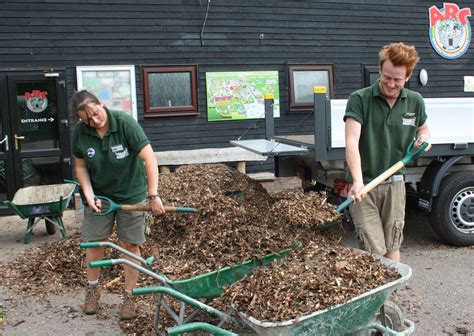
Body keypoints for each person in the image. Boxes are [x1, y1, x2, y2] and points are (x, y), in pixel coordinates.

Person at [71, 90, 165, 320]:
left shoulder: (125, 124)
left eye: (94, 113)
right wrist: (89, 194)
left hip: (131, 194)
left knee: (130, 245)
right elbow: (81, 166)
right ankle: (93, 288)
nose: (94, 121)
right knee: (93, 244)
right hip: (100, 198)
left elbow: (149, 158)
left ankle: (130, 296)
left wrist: (152, 195)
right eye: (87, 119)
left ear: (100, 104)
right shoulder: (80, 133)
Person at [343, 42, 432, 262]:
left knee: (393, 244)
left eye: (397, 80)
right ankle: (379, 295)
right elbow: (351, 141)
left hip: (395, 184)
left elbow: (423, 127)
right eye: (386, 77)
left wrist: (424, 138)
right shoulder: (360, 99)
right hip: (364, 187)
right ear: (380, 70)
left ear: (408, 77)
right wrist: (357, 181)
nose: (390, 84)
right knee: (374, 251)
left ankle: (391, 294)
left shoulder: (414, 101)